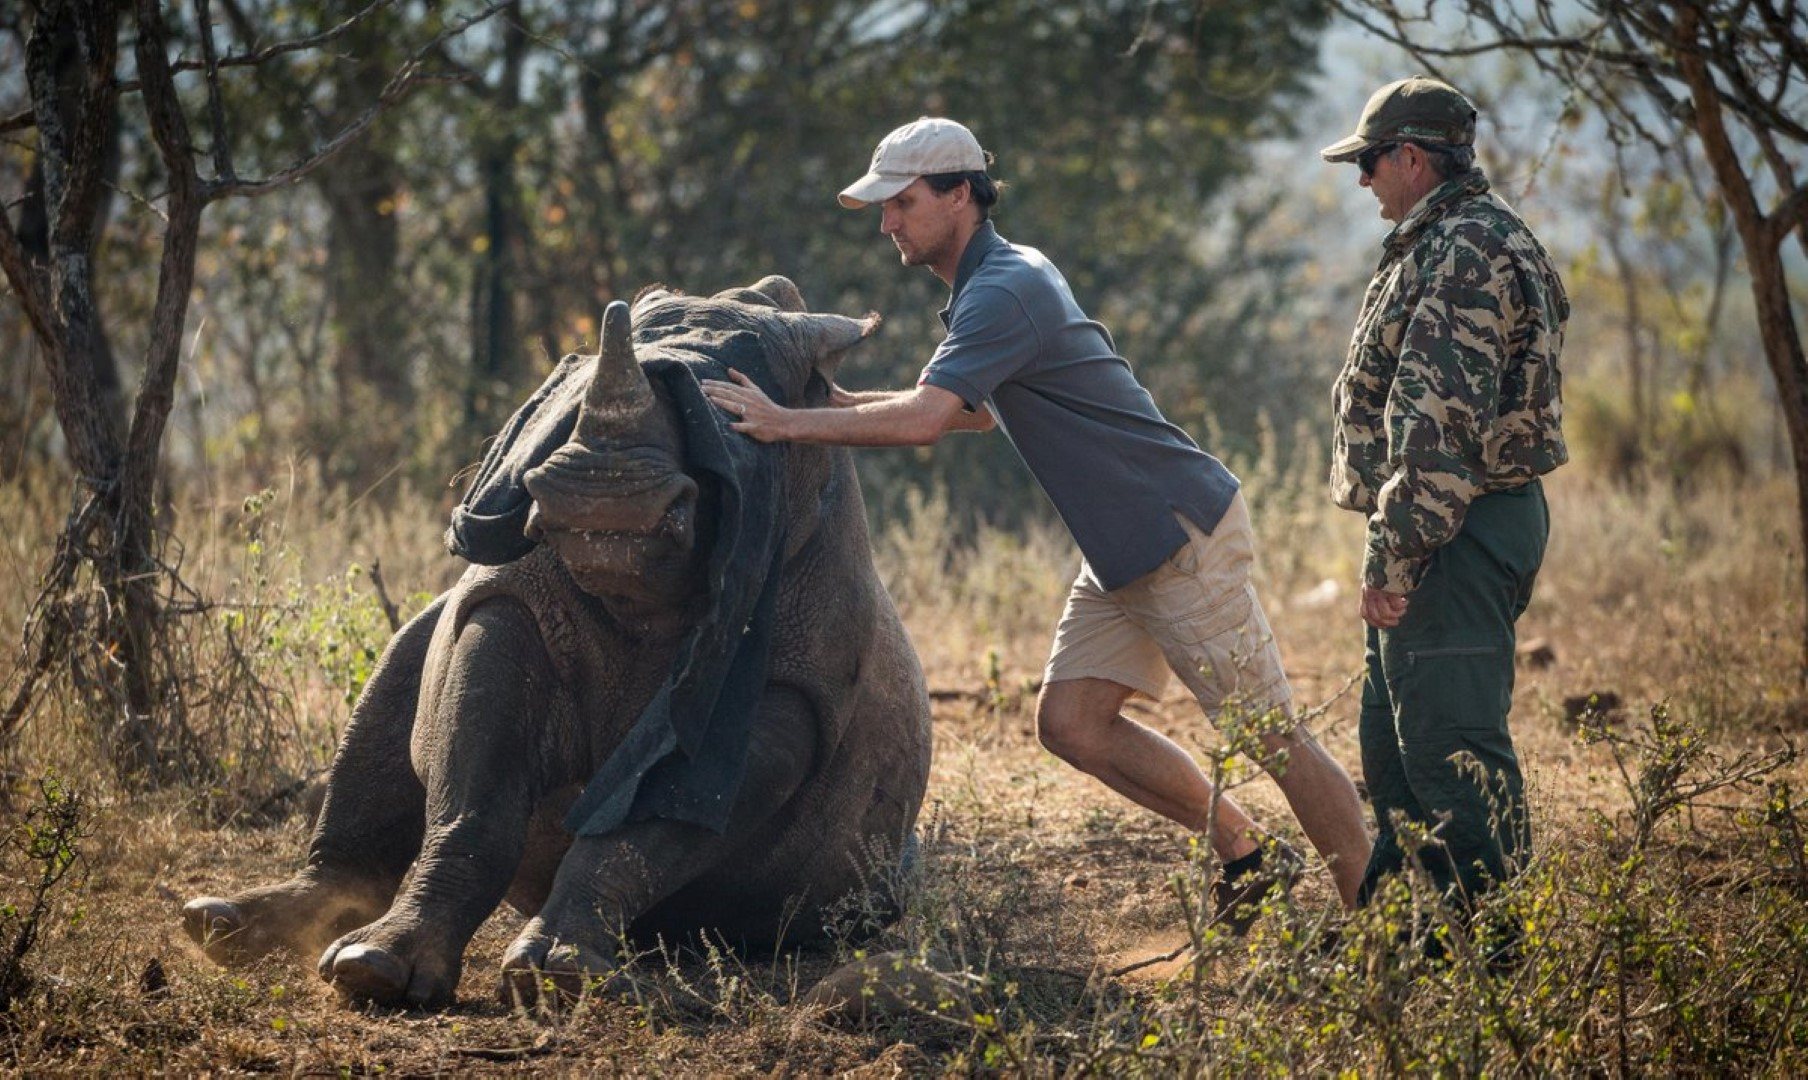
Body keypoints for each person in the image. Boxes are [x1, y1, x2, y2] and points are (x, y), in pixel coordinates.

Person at [702, 117, 1372, 927]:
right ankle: (1248, 851)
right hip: (1124, 547)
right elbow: (973, 415)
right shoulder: (990, 282)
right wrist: (844, 406)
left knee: (1270, 737)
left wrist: (783, 423)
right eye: (884, 207)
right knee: (1073, 725)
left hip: (1175, 535)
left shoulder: (1002, 289)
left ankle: (1387, 918)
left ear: (960, 194)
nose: (888, 224)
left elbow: (923, 422)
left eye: (903, 203)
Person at [1320, 78, 1568, 914]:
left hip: (1449, 531)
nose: (1364, 180)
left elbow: (1438, 434)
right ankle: (1406, 949)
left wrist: (1394, 557)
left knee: (1452, 757)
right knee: (1399, 760)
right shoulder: (1453, 237)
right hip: (1438, 528)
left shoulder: (1466, 250)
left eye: (1370, 161)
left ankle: (1494, 966)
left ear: (1412, 158)